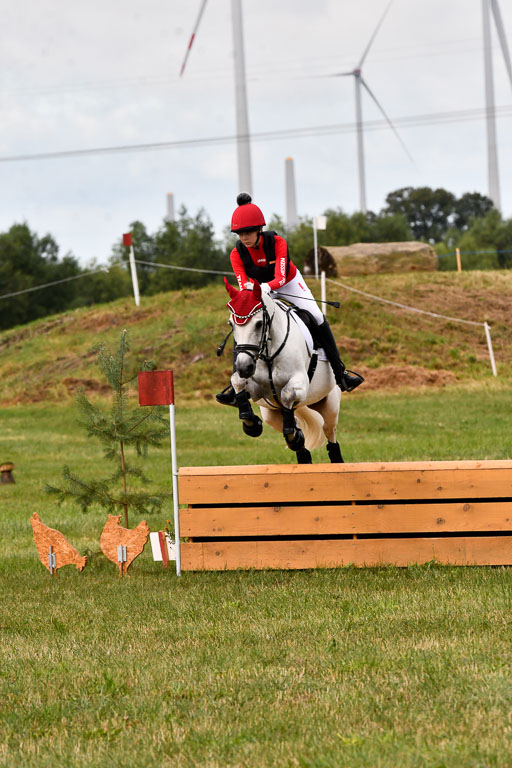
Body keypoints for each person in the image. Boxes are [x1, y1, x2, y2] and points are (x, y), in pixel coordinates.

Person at [216, 193, 364, 405]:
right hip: (259, 290)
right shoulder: (236, 254)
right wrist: (255, 293)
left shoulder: (277, 243)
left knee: (316, 315)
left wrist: (264, 288)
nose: (244, 237)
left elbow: (281, 277)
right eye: (240, 233)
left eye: (248, 232)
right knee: (245, 323)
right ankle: (236, 382)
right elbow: (244, 286)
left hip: (288, 282)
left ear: (259, 229)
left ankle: (340, 372)